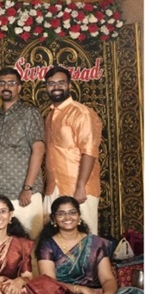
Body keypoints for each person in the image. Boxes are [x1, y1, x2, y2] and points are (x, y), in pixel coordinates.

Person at [26, 197, 143, 294]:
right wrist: (82, 290)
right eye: (61, 214)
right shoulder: (47, 245)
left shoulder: (96, 243)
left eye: (72, 212)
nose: (67, 217)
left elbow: (107, 278)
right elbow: (50, 282)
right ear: (54, 219)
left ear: (79, 216)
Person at [0, 67, 45, 239]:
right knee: (1, 244)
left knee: (29, 244)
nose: (6, 87)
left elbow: (39, 149)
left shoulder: (29, 113)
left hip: (23, 194)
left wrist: (28, 187)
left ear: (19, 87)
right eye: (2, 83)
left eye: (11, 83)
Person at [43, 66, 103, 235]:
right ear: (46, 87)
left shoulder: (81, 113)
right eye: (51, 83)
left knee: (84, 237)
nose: (56, 87)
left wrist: (81, 185)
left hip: (78, 187)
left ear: (69, 85)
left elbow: (89, 151)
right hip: (53, 186)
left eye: (61, 83)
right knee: (52, 238)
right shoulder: (49, 116)